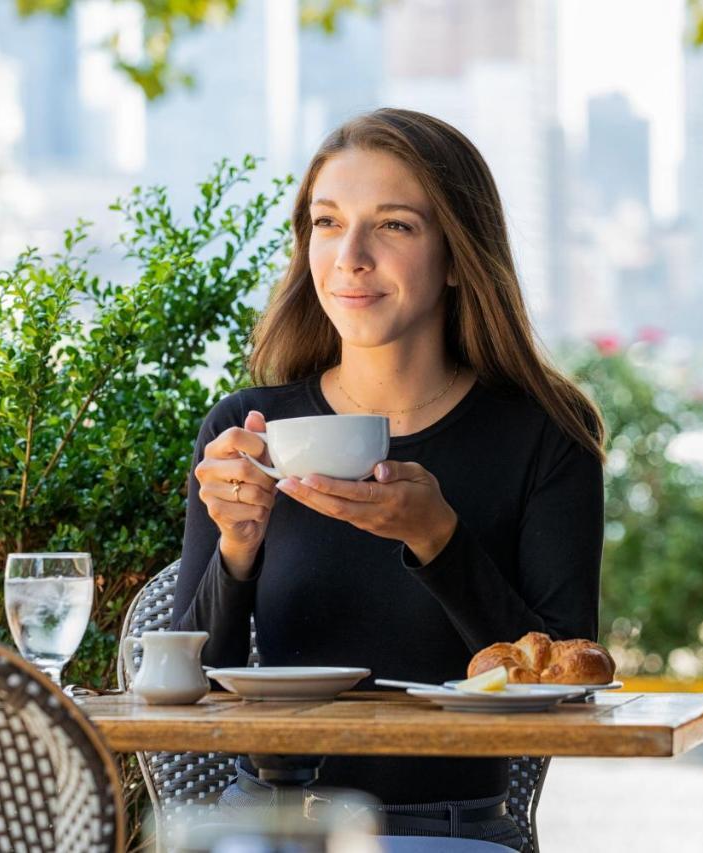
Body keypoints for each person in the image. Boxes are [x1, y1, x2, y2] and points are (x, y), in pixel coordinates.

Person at [171, 108, 605, 849]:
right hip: (270, 822)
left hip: (450, 830)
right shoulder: (248, 430)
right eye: (328, 223)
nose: (351, 256)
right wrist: (237, 546)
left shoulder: (544, 438)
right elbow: (183, 682)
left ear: (459, 255)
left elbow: (566, 682)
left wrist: (439, 539)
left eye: (395, 225)